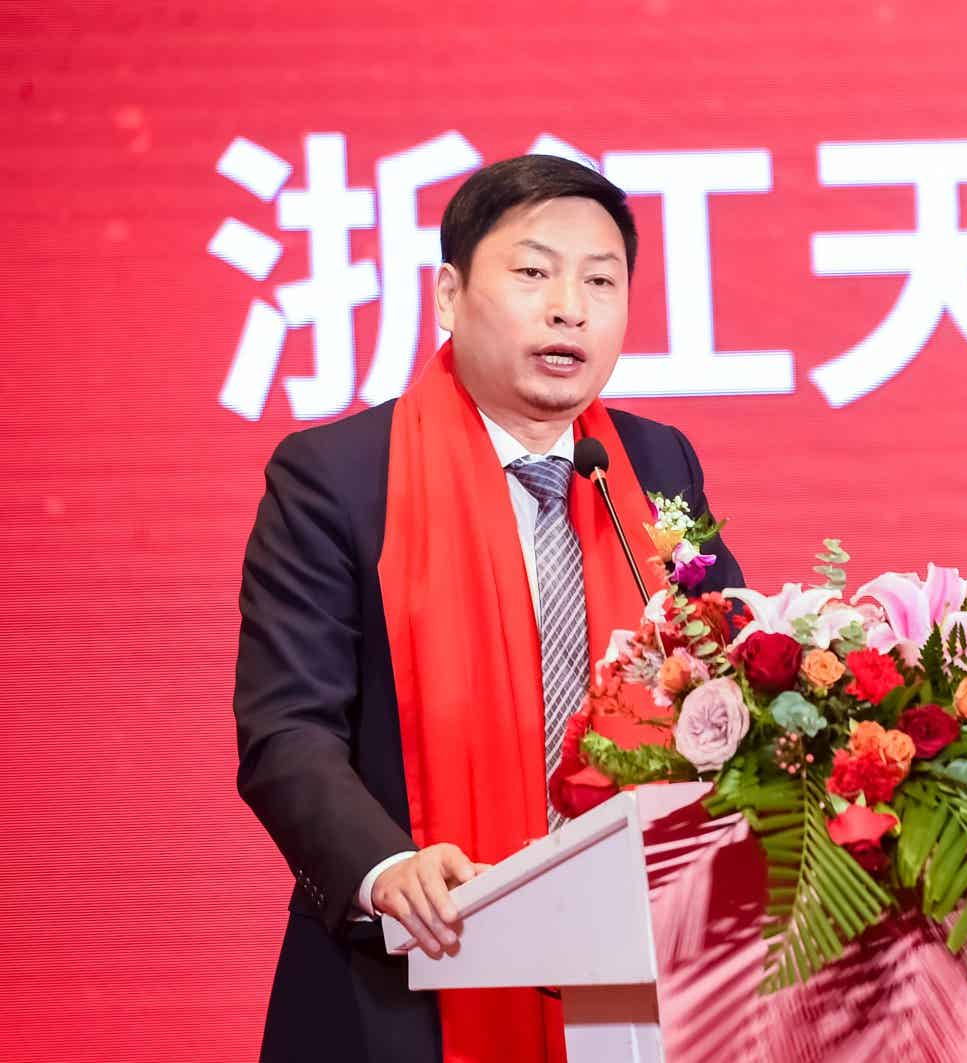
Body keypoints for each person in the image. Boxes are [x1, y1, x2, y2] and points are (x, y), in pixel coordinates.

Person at [232, 154, 743, 1063]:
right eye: (534, 272)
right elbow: (287, 733)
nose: (569, 308)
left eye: (600, 281)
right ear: (448, 295)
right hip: (402, 985)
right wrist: (389, 866)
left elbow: (736, 674)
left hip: (638, 984)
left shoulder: (653, 464)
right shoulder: (338, 478)